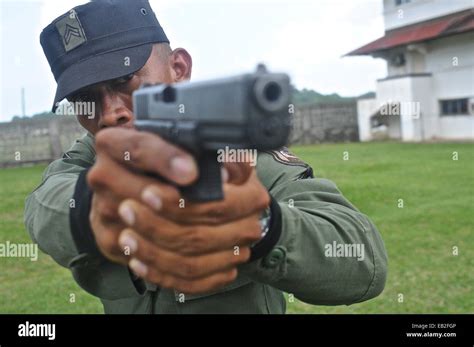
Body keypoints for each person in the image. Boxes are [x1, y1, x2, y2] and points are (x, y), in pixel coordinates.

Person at [25, 0, 387, 314]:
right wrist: (98, 209)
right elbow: (42, 205)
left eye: (124, 81)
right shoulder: (93, 156)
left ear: (178, 69)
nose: (108, 113)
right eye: (85, 98)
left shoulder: (236, 155)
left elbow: (363, 261)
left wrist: (264, 228)